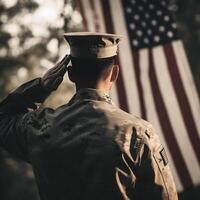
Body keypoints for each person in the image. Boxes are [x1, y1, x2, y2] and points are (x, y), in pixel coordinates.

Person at [0, 32, 178, 200]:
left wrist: (41, 87)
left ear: (70, 74)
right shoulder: (138, 133)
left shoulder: (39, 127)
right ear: (114, 73)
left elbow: (3, 118)